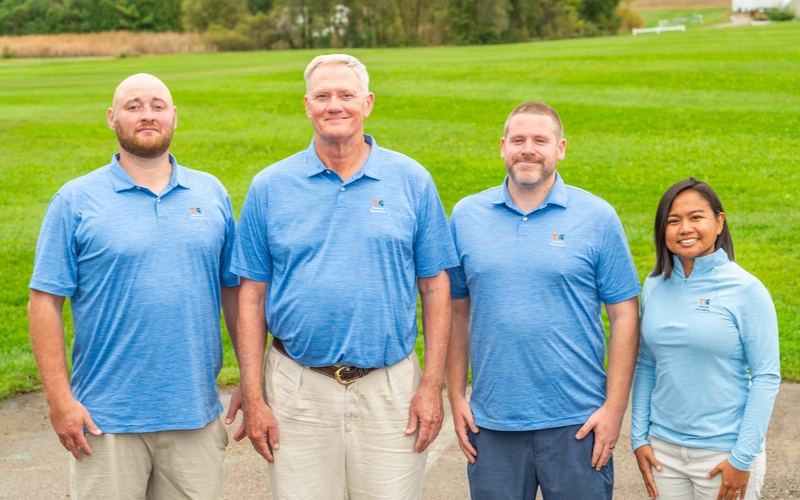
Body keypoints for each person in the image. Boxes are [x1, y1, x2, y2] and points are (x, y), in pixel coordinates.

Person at [231, 54, 458, 500]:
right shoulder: (270, 186)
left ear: (368, 103)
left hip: (390, 388)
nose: (335, 105)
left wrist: (431, 387)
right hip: (298, 386)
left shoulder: (411, 180)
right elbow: (251, 297)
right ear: (307, 105)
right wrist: (254, 397)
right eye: (323, 95)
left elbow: (435, 287)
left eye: (346, 95)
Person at [28, 73, 241, 499]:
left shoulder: (211, 192)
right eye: (133, 106)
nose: (147, 115)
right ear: (112, 118)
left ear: (174, 116)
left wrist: (252, 383)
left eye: (158, 105)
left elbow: (234, 292)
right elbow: (44, 303)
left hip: (193, 415)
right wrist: (59, 400)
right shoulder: (75, 200)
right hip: (106, 419)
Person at [446, 101, 641, 499]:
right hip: (493, 423)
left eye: (540, 140)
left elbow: (624, 315)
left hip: (578, 422)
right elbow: (455, 311)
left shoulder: (598, 217)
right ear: (503, 147)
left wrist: (615, 408)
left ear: (561, 148)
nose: (528, 149)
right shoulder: (466, 216)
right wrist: (455, 394)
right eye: (518, 140)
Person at [631, 177, 780, 500]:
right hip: (664, 454)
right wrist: (639, 438)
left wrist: (742, 459)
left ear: (719, 221)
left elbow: (767, 377)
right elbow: (646, 364)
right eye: (673, 220)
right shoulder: (655, 284)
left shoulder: (747, 290)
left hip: (724, 453)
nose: (685, 228)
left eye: (696, 217)